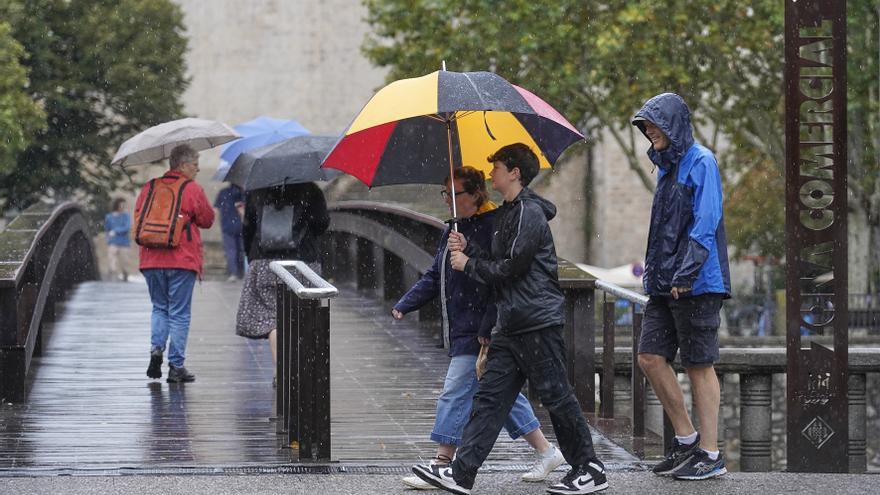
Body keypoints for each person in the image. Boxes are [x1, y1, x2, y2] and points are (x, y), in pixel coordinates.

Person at [413, 144, 608, 495]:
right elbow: (499, 258)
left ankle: (589, 467)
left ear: (515, 172)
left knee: (557, 397)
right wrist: (468, 248)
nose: (492, 174)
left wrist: (468, 264)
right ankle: (462, 473)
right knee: (490, 399)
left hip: (535, 321)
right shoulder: (508, 213)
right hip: (510, 323)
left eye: (498, 168)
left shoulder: (529, 214)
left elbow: (513, 267)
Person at [394, 166, 565, 490]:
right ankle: (547, 451)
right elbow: (435, 275)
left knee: (455, 391)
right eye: (445, 193)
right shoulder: (453, 229)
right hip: (461, 323)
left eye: (454, 193)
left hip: (481, 326)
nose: (448, 200)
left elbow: (497, 279)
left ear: (474, 194)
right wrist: (405, 303)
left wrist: (488, 323)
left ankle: (443, 462)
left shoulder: (491, 225)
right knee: (499, 395)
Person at [631, 93, 731, 480]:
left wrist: (686, 273)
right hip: (663, 283)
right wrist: (660, 277)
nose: (649, 130)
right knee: (649, 357)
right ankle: (687, 441)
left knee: (698, 364)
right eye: (645, 126)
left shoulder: (702, 161)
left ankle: (711, 453)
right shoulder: (667, 167)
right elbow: (662, 232)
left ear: (674, 125)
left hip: (698, 283)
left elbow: (705, 222)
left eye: (654, 124)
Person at [235, 182, 329, 384]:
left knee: (273, 319)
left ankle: (281, 371)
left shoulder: (258, 191)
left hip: (265, 262)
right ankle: (301, 367)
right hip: (303, 263)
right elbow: (322, 223)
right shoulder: (310, 190)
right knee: (302, 314)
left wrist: (250, 255)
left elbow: (248, 229)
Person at [137, 144, 215, 383]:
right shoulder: (191, 189)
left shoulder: (149, 187)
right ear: (182, 165)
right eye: (195, 164)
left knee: (160, 307)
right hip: (181, 259)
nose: (198, 169)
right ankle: (176, 366)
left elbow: (138, 217)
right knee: (179, 313)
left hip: (151, 258)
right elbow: (207, 220)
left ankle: (156, 349)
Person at [213, 184, 245, 281]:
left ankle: (233, 273)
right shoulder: (243, 193)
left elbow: (216, 209)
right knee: (241, 250)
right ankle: (241, 272)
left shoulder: (223, 192)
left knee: (230, 250)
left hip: (227, 225)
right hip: (241, 226)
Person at [104, 197, 131, 281]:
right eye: (121, 205)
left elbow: (127, 227)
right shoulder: (109, 217)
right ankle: (112, 277)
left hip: (124, 243)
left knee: (124, 263)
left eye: (124, 205)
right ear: (117, 205)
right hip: (113, 242)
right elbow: (107, 229)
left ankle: (125, 276)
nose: (123, 207)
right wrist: (107, 238)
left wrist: (115, 231)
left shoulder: (126, 216)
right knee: (111, 261)